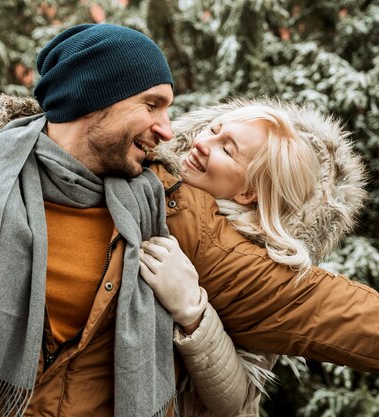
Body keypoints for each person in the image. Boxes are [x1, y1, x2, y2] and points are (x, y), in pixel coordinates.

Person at [0, 23, 379, 417]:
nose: (171, 128)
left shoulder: (173, 213)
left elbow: (352, 318)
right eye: (153, 104)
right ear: (93, 100)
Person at [138, 98, 367, 416]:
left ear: (248, 193)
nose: (202, 142)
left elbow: (236, 400)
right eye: (214, 129)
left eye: (227, 150)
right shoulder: (145, 171)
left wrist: (193, 312)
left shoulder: (269, 265)